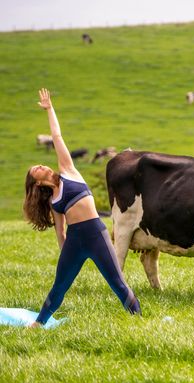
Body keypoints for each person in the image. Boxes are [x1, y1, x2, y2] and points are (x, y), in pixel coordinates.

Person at [23, 88, 141, 327]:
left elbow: (56, 136)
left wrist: (49, 109)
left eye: (42, 164)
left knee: (117, 282)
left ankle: (138, 319)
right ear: (36, 181)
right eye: (37, 168)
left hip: (96, 233)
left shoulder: (68, 171)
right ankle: (38, 323)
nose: (43, 165)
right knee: (60, 285)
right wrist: (66, 254)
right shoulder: (53, 202)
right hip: (75, 241)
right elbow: (60, 231)